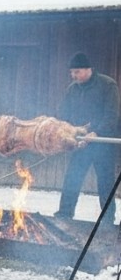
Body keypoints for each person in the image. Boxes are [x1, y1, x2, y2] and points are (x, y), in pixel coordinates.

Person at [55, 52, 120, 220]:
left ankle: (107, 220)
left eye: (77, 72)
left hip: (103, 143)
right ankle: (64, 214)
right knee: (72, 179)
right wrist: (71, 132)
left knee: (105, 183)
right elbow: (64, 114)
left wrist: (96, 133)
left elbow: (112, 116)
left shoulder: (108, 85)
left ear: (88, 69)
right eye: (72, 72)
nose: (73, 75)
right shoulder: (72, 89)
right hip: (80, 143)